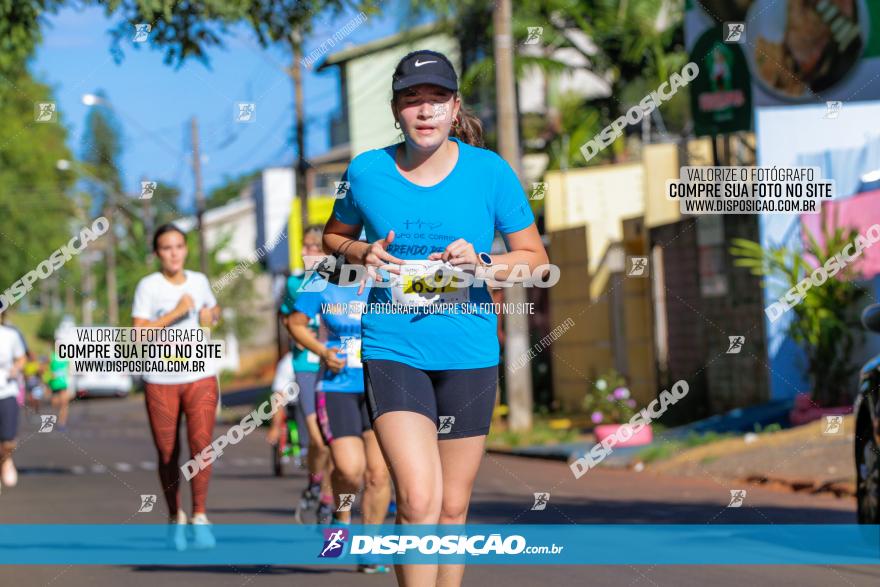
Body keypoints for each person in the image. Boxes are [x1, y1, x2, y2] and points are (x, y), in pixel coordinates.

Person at [322, 50, 549, 586]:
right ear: (396, 109)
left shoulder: (490, 172)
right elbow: (333, 239)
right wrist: (361, 254)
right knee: (418, 500)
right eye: (412, 100)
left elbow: (537, 262)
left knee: (451, 508)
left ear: (454, 107)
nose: (425, 111)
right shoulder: (366, 170)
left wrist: (483, 262)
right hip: (394, 349)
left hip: (469, 353)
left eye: (436, 99)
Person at [288, 265, 391, 574]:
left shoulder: (383, 279)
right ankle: (340, 515)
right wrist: (322, 351)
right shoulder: (319, 283)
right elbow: (294, 323)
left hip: (381, 384)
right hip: (337, 386)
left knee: (378, 474)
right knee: (349, 468)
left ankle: (369, 551)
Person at [131, 223, 222, 550]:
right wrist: (176, 312)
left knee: (201, 445)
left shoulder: (198, 281)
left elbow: (212, 312)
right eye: (167, 248)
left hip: (200, 373)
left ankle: (199, 515)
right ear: (157, 253)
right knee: (168, 452)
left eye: (179, 246)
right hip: (161, 378)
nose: (174, 253)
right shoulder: (148, 286)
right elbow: (139, 333)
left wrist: (211, 313)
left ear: (185, 249)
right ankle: (175, 515)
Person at [277, 225, 333, 521]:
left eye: (313, 247)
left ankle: (326, 497)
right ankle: (314, 479)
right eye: (303, 246)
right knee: (318, 439)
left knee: (334, 440)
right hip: (307, 365)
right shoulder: (294, 284)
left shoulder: (341, 280)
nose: (305, 252)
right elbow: (288, 321)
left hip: (336, 366)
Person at [0, 316, 26, 494]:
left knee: (8, 439)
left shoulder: (10, 335)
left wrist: (14, 370)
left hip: (6, 390)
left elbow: (21, 358)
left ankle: (6, 460)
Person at [47, 349, 71, 430]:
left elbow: (69, 369)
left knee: (64, 404)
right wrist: (49, 379)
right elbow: (47, 369)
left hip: (64, 384)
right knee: (55, 403)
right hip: (54, 383)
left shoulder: (66, 356)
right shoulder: (51, 356)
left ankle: (62, 423)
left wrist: (70, 381)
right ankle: (55, 419)